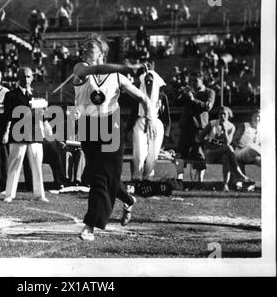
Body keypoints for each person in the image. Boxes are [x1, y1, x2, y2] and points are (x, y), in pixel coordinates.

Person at [73, 33, 156, 241]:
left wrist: (151, 118)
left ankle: (90, 225)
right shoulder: (80, 68)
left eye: (89, 48)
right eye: (83, 48)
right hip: (87, 126)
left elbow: (143, 98)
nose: (84, 51)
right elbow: (95, 69)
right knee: (95, 174)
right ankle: (128, 199)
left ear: (102, 52)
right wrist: (128, 68)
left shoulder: (118, 77)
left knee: (100, 177)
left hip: (111, 125)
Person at [2, 67, 49, 203]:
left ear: (32, 78)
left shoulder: (38, 94)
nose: (26, 79)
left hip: (35, 134)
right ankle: (9, 194)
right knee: (14, 164)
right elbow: (7, 115)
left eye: (28, 77)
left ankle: (40, 194)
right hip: (18, 133)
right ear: (18, 78)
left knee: (37, 165)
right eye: (23, 76)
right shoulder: (10, 95)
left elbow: (43, 116)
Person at [199, 106, 253, 191]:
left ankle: (225, 185)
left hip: (222, 153)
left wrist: (224, 130)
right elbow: (200, 137)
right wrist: (209, 145)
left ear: (228, 115)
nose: (222, 116)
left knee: (226, 158)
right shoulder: (212, 123)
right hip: (210, 152)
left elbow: (227, 142)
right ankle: (240, 175)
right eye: (220, 114)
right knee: (229, 148)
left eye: (224, 114)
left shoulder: (231, 127)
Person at [176, 72, 215, 184]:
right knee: (180, 154)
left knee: (199, 155)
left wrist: (193, 99)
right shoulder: (189, 90)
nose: (193, 83)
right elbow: (177, 102)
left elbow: (208, 107)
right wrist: (180, 93)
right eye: (191, 80)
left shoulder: (209, 92)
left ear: (202, 80)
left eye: (195, 81)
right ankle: (179, 180)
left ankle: (200, 182)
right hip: (186, 126)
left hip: (200, 128)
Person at [127, 70, 166, 181]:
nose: (148, 83)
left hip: (156, 123)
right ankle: (137, 177)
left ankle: (148, 177)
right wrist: (129, 129)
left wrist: (165, 132)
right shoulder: (138, 95)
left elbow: (166, 116)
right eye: (146, 81)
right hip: (141, 121)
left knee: (153, 154)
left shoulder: (161, 96)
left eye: (150, 81)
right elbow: (133, 112)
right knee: (139, 152)